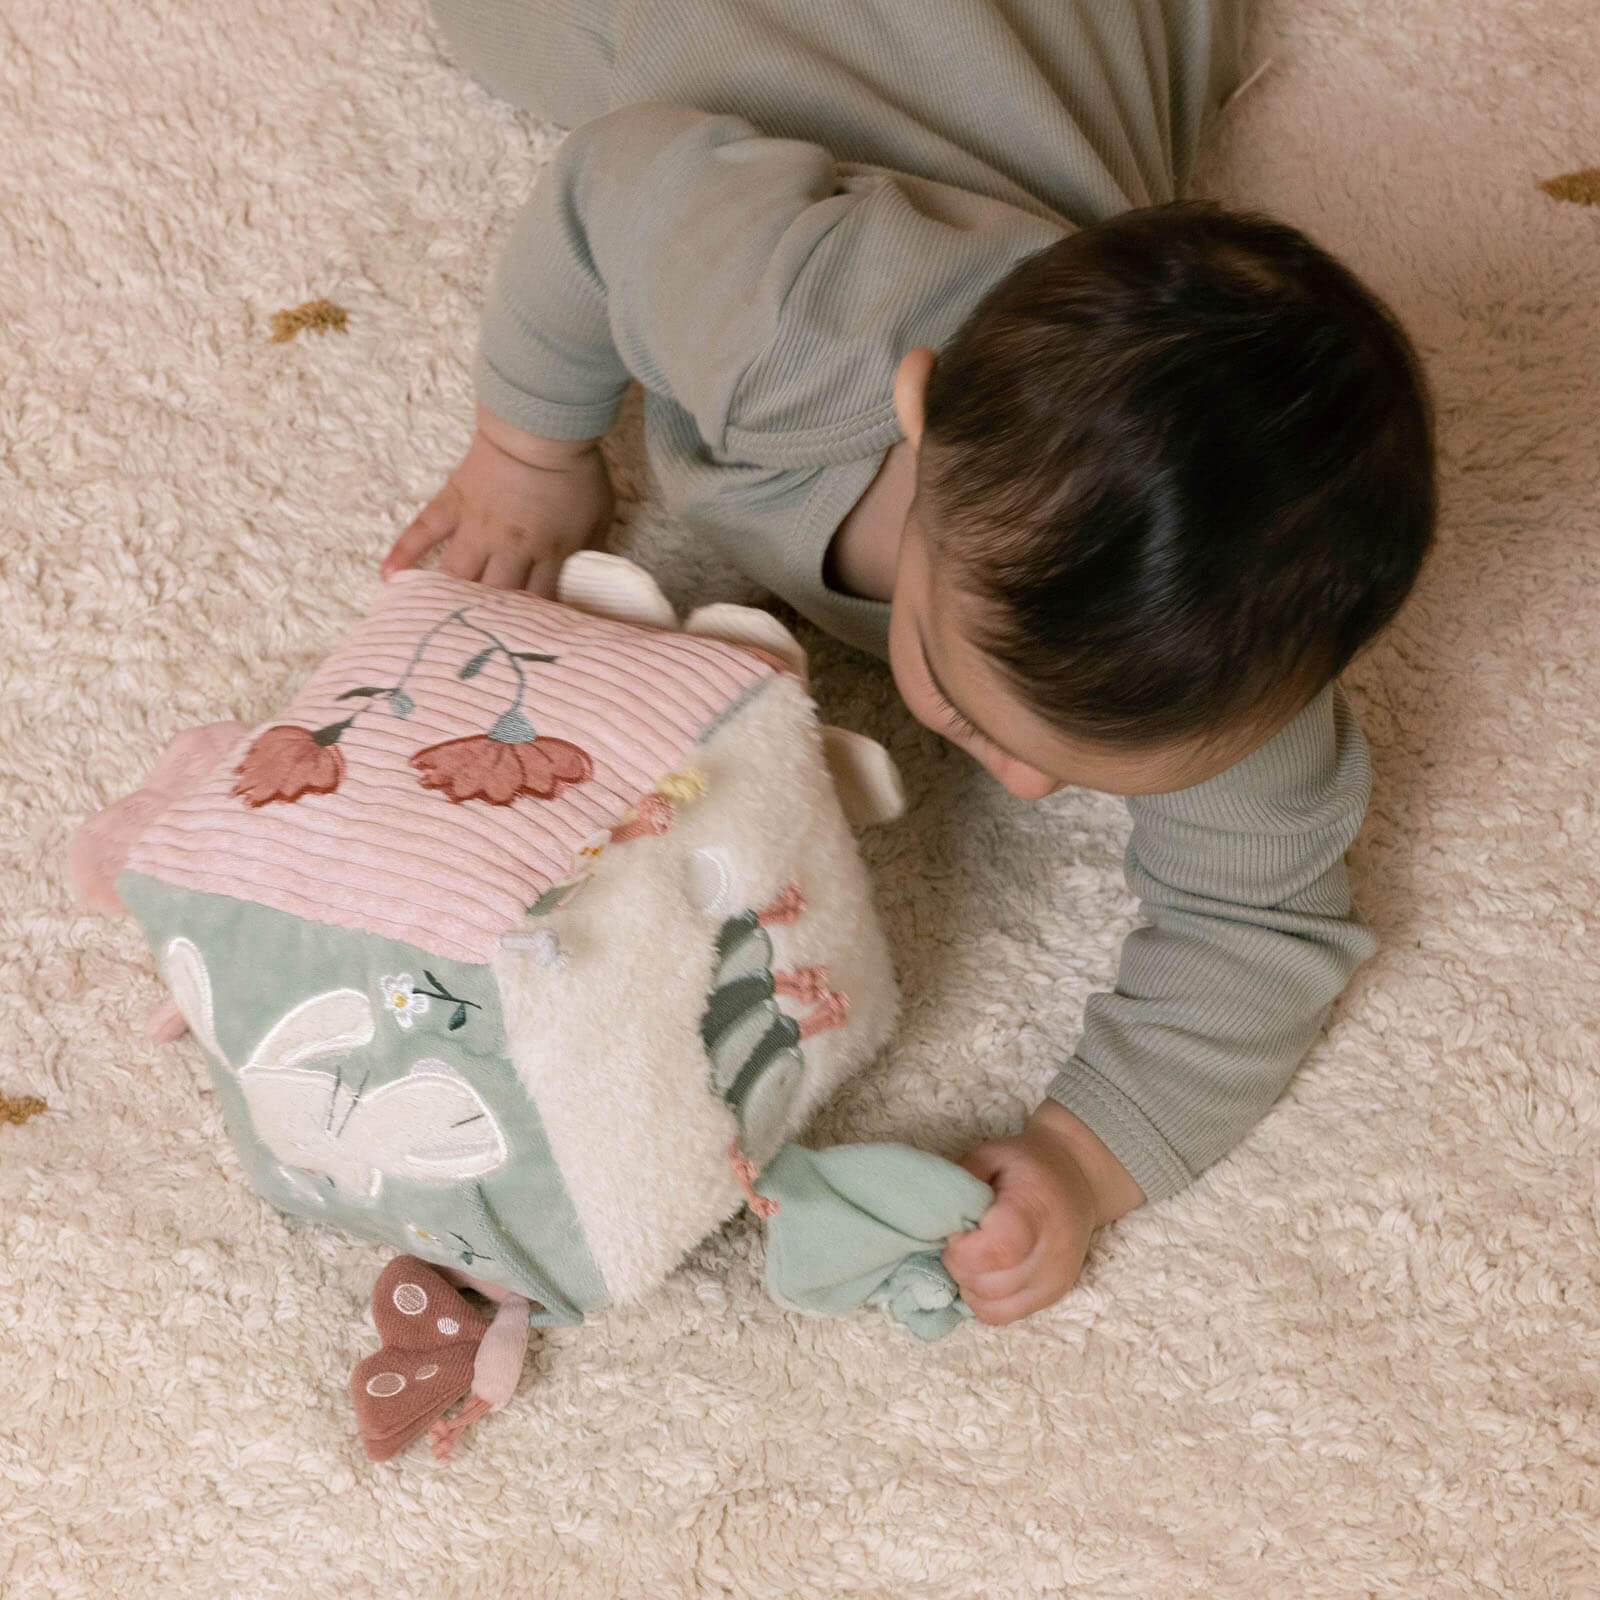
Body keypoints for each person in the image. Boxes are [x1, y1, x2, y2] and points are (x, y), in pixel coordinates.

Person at [380, 0, 1437, 1326]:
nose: (1028, 790)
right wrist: (530, 453)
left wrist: (1085, 1160)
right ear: (918, 411)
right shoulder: (789, 313)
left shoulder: (1237, 662)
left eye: (1064, 764)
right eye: (980, 708)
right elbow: (606, 189)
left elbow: (1265, 933)